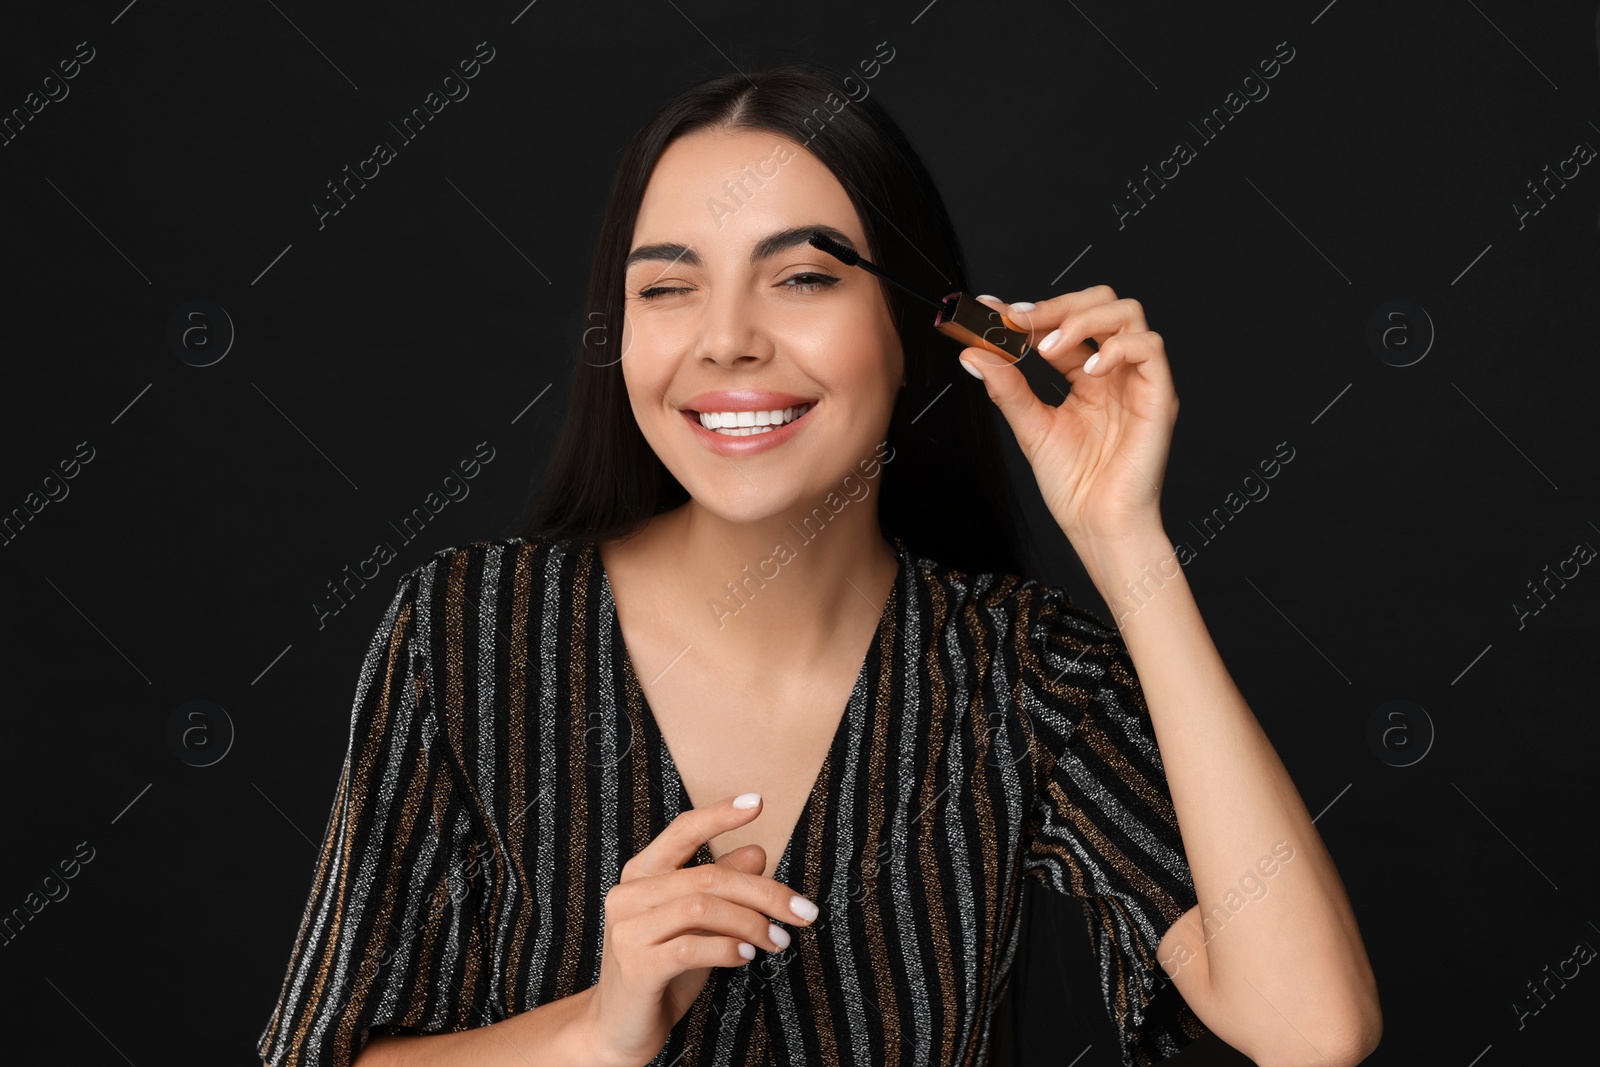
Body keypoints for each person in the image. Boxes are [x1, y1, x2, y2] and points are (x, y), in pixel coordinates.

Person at [256, 63, 1381, 1067]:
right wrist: (600, 1031)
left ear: (914, 331)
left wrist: (1122, 537)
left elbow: (1311, 1030)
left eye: (801, 277)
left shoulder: (1023, 670)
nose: (728, 337)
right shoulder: (471, 627)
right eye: (666, 285)